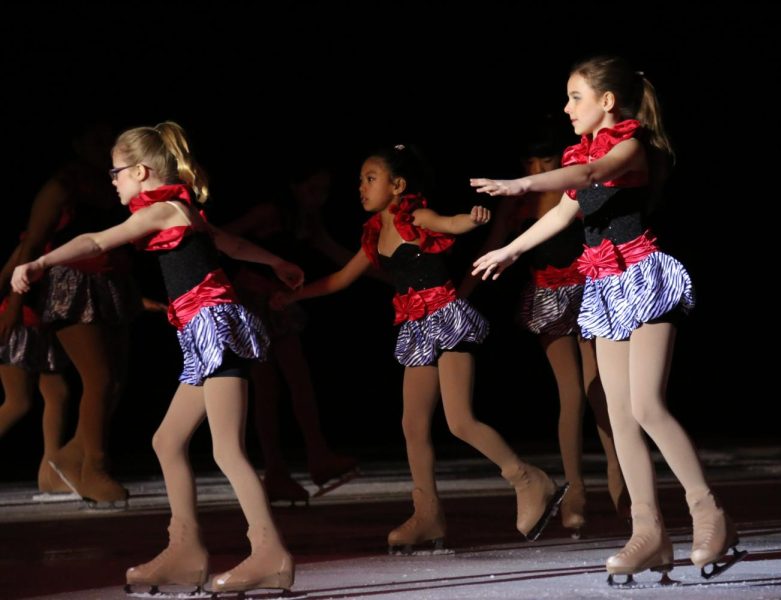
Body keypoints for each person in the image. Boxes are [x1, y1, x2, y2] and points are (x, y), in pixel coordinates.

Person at [471, 56, 744, 583]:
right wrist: (509, 249)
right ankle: (650, 533)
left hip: (643, 278)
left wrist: (520, 185)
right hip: (604, 288)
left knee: (646, 405)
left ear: (607, 102)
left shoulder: (630, 148)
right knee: (618, 419)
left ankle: (709, 513)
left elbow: (592, 175)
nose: (566, 107)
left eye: (575, 97)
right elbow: (564, 211)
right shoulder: (586, 153)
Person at [13, 122, 301, 594]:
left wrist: (42, 262)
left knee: (227, 448)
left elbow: (97, 240)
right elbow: (231, 244)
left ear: (142, 171)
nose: (112, 180)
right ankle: (186, 552)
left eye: (116, 171)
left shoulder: (163, 210)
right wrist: (277, 263)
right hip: (199, 330)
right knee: (167, 441)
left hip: (214, 326)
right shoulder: (182, 210)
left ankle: (269, 551)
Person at [272, 144, 568, 553]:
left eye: (370, 178)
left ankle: (527, 478)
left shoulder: (415, 217)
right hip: (414, 328)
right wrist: (293, 297)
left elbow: (450, 222)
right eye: (360, 179)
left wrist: (472, 218)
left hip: (446, 319)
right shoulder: (375, 233)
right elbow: (341, 279)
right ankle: (427, 514)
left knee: (459, 421)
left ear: (397, 186)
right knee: (412, 425)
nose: (361, 186)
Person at [461, 120, 629, 538]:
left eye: (546, 159)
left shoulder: (573, 187)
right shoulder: (519, 203)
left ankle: (621, 482)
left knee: (600, 391)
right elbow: (493, 245)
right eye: (530, 161)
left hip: (587, 288)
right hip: (548, 295)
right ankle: (574, 493)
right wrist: (460, 295)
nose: (537, 166)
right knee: (570, 393)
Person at [8, 122, 142, 506]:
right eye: (96, 139)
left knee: (115, 380)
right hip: (70, 286)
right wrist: (13, 306)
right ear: (77, 142)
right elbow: (30, 244)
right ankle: (94, 468)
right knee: (98, 378)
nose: (103, 146)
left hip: (112, 281)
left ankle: (69, 457)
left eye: (108, 139)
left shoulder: (112, 183)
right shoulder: (62, 186)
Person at [223, 165, 358, 505]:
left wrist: (382, 265)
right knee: (268, 388)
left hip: (278, 303)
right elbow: (221, 239)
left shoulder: (307, 221)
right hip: (252, 302)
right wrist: (245, 276)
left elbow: (339, 255)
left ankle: (316, 456)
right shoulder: (270, 212)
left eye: (325, 191)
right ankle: (279, 471)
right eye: (314, 188)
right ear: (295, 186)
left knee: (298, 381)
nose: (320, 198)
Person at [0, 241, 71, 495]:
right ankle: (50, 473)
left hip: (43, 324)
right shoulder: (34, 241)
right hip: (20, 323)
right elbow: (7, 275)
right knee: (18, 402)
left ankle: (50, 473)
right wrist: (9, 315)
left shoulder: (62, 241)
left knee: (58, 394)